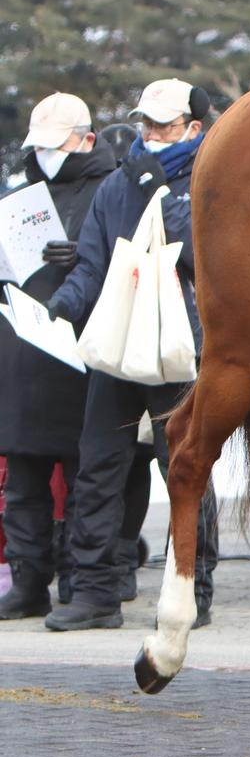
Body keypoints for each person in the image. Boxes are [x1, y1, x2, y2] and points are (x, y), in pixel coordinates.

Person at [43, 78, 219, 630]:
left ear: (194, 127)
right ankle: (95, 593)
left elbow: (203, 259)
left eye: (164, 125)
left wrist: (160, 193)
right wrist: (63, 304)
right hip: (119, 343)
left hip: (181, 345)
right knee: (98, 467)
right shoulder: (118, 183)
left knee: (185, 468)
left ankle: (194, 588)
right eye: (145, 122)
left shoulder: (213, 177)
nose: (150, 133)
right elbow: (92, 262)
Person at [0, 93, 115, 620]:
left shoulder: (111, 189)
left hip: (83, 353)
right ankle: (27, 581)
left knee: (87, 477)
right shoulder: (21, 194)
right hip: (22, 351)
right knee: (24, 477)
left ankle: (82, 581)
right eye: (39, 147)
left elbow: (136, 262)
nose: (44, 156)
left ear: (86, 139)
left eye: (55, 145)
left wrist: (87, 258)